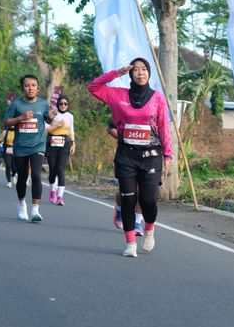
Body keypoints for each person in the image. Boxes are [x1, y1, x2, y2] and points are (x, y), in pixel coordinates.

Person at [88, 58, 172, 257]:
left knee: (148, 200)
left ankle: (149, 228)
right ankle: (130, 243)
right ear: (130, 74)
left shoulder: (157, 98)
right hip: (127, 155)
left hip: (151, 156)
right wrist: (116, 73)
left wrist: (168, 156)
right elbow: (93, 87)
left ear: (149, 73)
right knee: (128, 199)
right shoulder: (118, 95)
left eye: (144, 69)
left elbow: (163, 128)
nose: (140, 73)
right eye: (136, 70)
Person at [3, 75, 57, 222]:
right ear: (23, 88)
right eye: (27, 85)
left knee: (36, 175)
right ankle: (22, 204)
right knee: (22, 177)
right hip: (20, 146)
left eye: (33, 85)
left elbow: (47, 118)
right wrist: (20, 118)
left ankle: (35, 210)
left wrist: (51, 116)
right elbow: (6, 123)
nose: (30, 88)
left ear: (38, 88)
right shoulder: (16, 104)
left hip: (38, 145)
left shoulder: (43, 104)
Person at [107, 119, 144, 235]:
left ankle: (137, 223)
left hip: (147, 158)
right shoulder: (124, 110)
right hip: (127, 157)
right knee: (128, 192)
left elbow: (163, 131)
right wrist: (125, 139)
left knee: (143, 192)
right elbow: (111, 128)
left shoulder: (157, 110)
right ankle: (119, 208)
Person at [45, 94, 75, 206]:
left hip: (64, 144)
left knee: (61, 169)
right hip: (52, 143)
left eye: (65, 104)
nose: (63, 105)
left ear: (68, 105)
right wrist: (55, 122)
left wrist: (73, 143)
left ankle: (60, 197)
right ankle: (53, 190)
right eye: (61, 103)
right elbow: (47, 128)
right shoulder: (53, 114)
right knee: (52, 170)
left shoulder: (70, 116)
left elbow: (71, 130)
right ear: (58, 104)